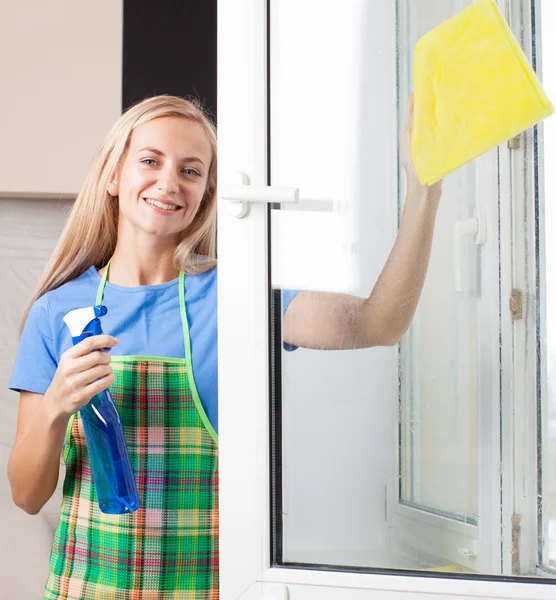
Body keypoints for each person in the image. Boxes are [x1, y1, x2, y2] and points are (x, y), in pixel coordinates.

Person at [7, 93, 442, 599]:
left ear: (206, 195)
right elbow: (26, 495)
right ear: (112, 176)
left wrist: (423, 190)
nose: (169, 182)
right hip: (89, 586)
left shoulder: (235, 300)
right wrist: (57, 406)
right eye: (150, 161)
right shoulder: (56, 312)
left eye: (191, 171)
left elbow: (380, 322)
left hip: (208, 586)